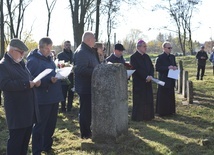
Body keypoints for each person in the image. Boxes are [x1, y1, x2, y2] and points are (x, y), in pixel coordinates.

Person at [0, 38, 40, 155]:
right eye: (20, 52)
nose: (23, 55)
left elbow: (29, 78)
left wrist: (35, 81)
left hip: (27, 110)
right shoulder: (3, 65)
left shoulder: (21, 63)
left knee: (24, 142)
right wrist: (26, 84)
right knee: (16, 141)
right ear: (11, 50)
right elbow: (4, 84)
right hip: (16, 111)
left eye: (24, 53)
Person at [26, 37, 64, 155]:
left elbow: (52, 72)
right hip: (42, 98)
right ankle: (36, 150)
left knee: (51, 124)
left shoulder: (49, 59)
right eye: (47, 48)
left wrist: (59, 75)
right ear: (40, 47)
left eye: (50, 48)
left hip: (53, 96)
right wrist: (48, 81)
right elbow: (32, 79)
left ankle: (47, 146)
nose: (49, 51)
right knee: (40, 126)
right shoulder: (33, 60)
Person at [73, 31, 99, 139]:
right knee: (85, 111)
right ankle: (85, 134)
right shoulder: (82, 52)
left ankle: (89, 130)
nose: (95, 41)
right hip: (85, 87)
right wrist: (97, 71)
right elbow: (81, 69)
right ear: (88, 40)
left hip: (91, 86)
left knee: (89, 111)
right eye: (94, 39)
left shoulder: (89, 51)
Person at [130, 40, 154, 121]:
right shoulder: (133, 57)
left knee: (148, 99)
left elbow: (151, 67)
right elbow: (136, 69)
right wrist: (145, 76)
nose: (146, 48)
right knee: (139, 99)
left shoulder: (147, 56)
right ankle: (139, 117)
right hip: (139, 82)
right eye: (144, 46)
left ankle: (148, 116)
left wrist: (150, 75)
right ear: (138, 47)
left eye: (146, 46)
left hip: (148, 81)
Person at [155, 41, 177, 117]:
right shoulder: (160, 57)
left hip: (171, 78)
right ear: (164, 48)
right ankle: (162, 112)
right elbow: (157, 68)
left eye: (171, 48)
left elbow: (175, 64)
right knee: (163, 95)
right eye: (169, 48)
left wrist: (175, 67)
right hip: (163, 79)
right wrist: (167, 67)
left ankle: (170, 110)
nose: (170, 49)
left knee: (170, 95)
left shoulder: (172, 57)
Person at [57, 40, 74, 112]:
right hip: (63, 77)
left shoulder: (74, 54)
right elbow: (58, 66)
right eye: (66, 45)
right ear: (64, 46)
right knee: (63, 93)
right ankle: (63, 108)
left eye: (69, 45)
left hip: (72, 76)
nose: (68, 46)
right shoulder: (60, 55)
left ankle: (69, 107)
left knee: (71, 93)